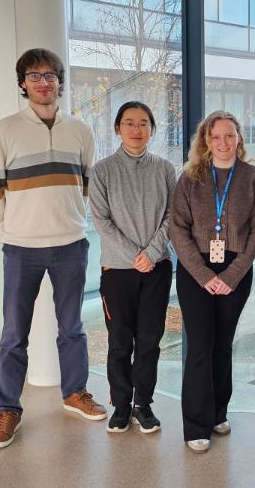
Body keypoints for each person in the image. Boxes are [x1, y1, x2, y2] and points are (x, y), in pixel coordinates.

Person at [0, 48, 106, 450]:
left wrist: (69, 220)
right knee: (14, 335)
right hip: (21, 249)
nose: (43, 82)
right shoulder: (4, 130)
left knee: (72, 328)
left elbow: (87, 186)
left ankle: (74, 393)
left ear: (60, 82)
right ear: (22, 83)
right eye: (34, 75)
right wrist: (12, 230)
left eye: (50, 75)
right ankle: (8, 410)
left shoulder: (81, 131)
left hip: (70, 245)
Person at [170, 111, 255, 453]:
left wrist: (231, 274)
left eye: (229, 135)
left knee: (223, 343)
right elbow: (177, 229)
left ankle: (216, 412)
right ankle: (195, 425)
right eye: (216, 137)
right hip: (194, 268)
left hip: (235, 271)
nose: (223, 143)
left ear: (239, 138)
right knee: (200, 344)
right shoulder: (190, 178)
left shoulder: (254, 178)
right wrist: (202, 275)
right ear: (206, 141)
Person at [89, 101, 176, 435]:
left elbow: (172, 215)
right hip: (118, 270)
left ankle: (144, 404)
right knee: (120, 340)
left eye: (143, 124)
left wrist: (151, 253)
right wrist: (134, 256)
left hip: (157, 267)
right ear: (117, 129)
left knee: (150, 339)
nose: (136, 130)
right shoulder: (102, 170)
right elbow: (102, 221)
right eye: (129, 123)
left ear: (152, 129)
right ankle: (121, 405)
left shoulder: (165, 169)